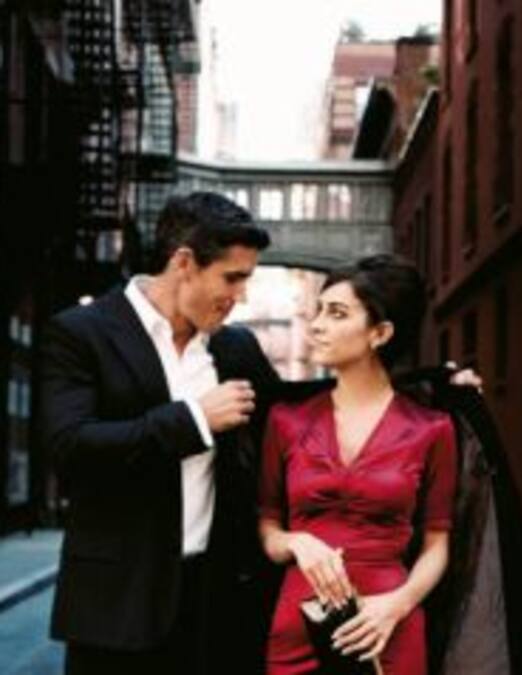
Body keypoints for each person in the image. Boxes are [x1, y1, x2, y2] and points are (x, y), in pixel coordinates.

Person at [40, 192, 481, 675]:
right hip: (115, 604)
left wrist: (432, 386)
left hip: (214, 602)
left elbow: (301, 404)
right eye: (232, 278)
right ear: (184, 263)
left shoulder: (234, 348)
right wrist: (193, 421)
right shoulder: (82, 333)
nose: (241, 295)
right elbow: (69, 446)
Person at [257, 255, 458, 674]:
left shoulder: (432, 429)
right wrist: (297, 542)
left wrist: (396, 605)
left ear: (380, 333)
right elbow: (268, 530)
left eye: (337, 313)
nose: (316, 325)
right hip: (298, 627)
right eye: (317, 311)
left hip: (386, 626)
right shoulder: (285, 420)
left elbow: (437, 546)